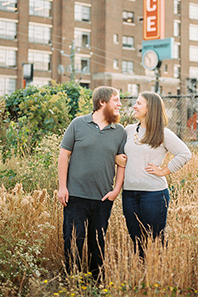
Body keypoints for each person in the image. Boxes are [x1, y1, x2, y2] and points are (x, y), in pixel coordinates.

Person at [57, 86, 126, 280]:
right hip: (75, 196)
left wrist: (116, 190)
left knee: (98, 245)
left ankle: (96, 284)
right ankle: (72, 283)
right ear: (102, 102)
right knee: (73, 242)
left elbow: (122, 162)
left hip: (103, 198)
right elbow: (63, 156)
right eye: (116, 100)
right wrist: (62, 187)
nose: (120, 104)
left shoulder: (119, 131)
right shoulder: (78, 124)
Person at [115, 91, 192, 258]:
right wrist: (116, 158)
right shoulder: (128, 130)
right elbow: (118, 152)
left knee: (156, 241)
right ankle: (141, 276)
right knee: (136, 241)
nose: (134, 106)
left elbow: (184, 153)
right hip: (129, 194)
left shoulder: (163, 133)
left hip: (154, 195)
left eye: (138, 103)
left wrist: (164, 171)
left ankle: (158, 276)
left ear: (150, 108)